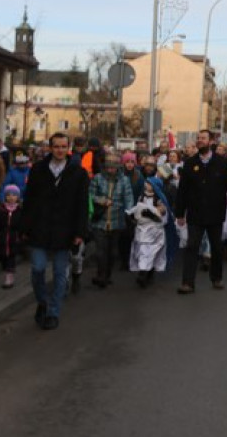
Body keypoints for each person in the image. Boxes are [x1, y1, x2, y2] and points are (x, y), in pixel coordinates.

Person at [21, 132, 89, 330]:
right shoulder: (38, 169)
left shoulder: (78, 173)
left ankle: (53, 312)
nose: (59, 150)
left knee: (60, 273)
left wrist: (79, 232)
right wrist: (25, 226)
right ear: (50, 148)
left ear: (68, 148)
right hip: (40, 229)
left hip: (65, 231)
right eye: (56, 146)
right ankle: (42, 301)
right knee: (38, 268)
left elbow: (82, 205)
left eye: (63, 146)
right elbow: (30, 200)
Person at [175, 129, 227, 293]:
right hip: (195, 213)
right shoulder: (190, 163)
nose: (200, 141)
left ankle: (217, 278)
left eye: (203, 138)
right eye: (198, 138)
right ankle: (187, 283)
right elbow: (182, 190)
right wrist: (180, 213)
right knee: (192, 246)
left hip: (215, 213)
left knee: (216, 247)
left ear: (211, 142)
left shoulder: (221, 163)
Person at [88, 153, 134, 289]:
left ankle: (107, 275)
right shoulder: (97, 178)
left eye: (113, 167)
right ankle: (101, 275)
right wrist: (101, 200)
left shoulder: (124, 180)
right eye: (108, 167)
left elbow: (128, 197)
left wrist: (129, 212)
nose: (110, 170)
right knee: (101, 251)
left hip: (117, 221)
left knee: (113, 252)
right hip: (99, 221)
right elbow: (90, 194)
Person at [127, 176, 170, 287]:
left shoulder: (159, 199)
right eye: (147, 183)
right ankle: (143, 272)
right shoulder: (142, 197)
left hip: (154, 231)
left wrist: (153, 215)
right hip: (141, 230)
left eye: (150, 184)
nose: (147, 186)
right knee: (141, 251)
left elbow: (163, 214)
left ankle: (145, 274)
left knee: (150, 253)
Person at [0, 184, 24, 289]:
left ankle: (9, 277)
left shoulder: (20, 211)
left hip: (14, 239)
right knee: (3, 258)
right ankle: (7, 270)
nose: (11, 197)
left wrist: (22, 236)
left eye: (14, 195)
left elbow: (22, 225)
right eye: (8, 195)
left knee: (11, 259)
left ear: (18, 197)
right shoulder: (0, 210)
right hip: (2, 239)